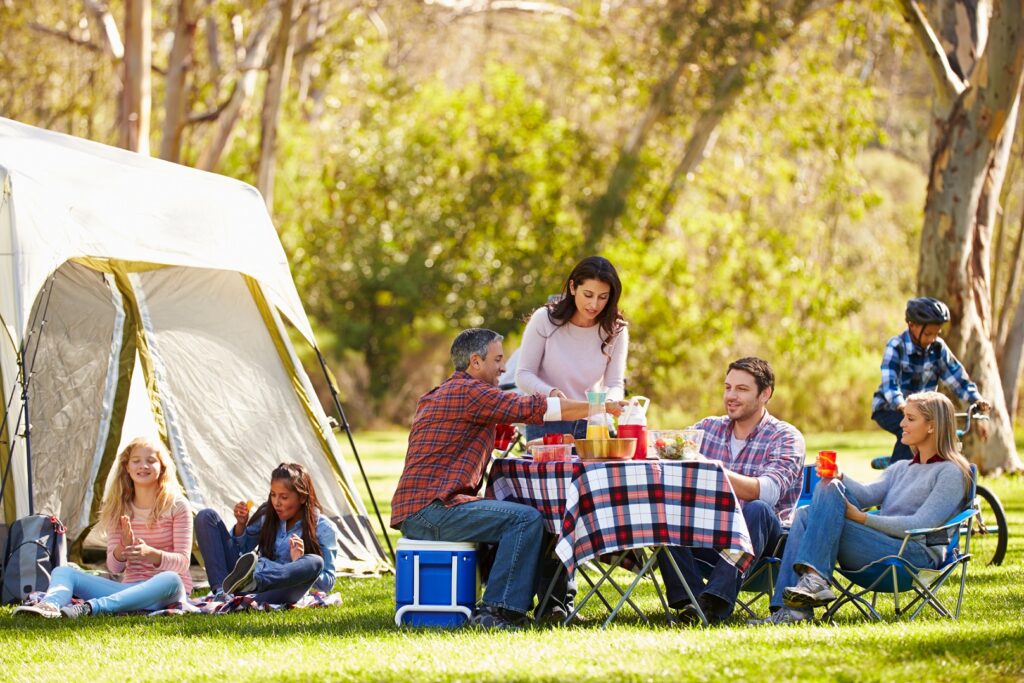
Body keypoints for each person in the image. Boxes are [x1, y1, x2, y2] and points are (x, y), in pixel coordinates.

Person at [391, 327, 625, 629]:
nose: (504, 367)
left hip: (423, 508)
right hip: (433, 511)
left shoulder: (448, 391)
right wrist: (600, 406)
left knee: (522, 513)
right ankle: (496, 611)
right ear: (475, 362)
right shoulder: (471, 392)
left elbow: (478, 436)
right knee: (524, 519)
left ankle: (523, 604)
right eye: (498, 359)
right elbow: (537, 408)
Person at [754, 391, 973, 625]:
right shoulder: (901, 467)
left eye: (910, 418)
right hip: (881, 547)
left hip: (914, 555)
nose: (901, 424)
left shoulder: (951, 472)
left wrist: (862, 519)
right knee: (813, 505)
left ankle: (807, 593)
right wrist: (839, 476)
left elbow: (921, 524)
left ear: (932, 426)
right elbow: (867, 495)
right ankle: (793, 606)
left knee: (814, 512)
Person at [657, 357, 805, 625]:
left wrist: (711, 469)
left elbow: (767, 493)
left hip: (761, 539)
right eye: (728, 388)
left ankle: (712, 602)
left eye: (742, 389)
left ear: (765, 394)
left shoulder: (786, 436)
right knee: (666, 508)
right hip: (707, 532)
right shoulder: (706, 428)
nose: (731, 396)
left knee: (757, 508)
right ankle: (690, 601)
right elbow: (672, 466)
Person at [14, 437, 192, 618]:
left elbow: (183, 562)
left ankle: (92, 607)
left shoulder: (177, 505)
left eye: (151, 460)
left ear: (162, 467)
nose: (143, 466)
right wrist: (122, 549)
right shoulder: (119, 507)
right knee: (63, 570)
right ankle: (49, 606)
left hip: (166, 592)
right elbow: (114, 568)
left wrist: (150, 554)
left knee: (170, 579)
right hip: (127, 590)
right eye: (136, 461)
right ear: (127, 467)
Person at [515, 255, 628, 442]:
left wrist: (608, 403)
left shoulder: (615, 330)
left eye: (603, 297)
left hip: (592, 424)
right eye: (588, 295)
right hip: (547, 421)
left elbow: (614, 383)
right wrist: (551, 393)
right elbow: (524, 374)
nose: (594, 305)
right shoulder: (545, 319)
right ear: (573, 287)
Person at [194, 462, 340, 603]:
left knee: (315, 562)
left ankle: (255, 583)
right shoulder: (267, 515)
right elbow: (240, 552)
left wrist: (299, 563)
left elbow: (328, 583)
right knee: (206, 516)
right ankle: (221, 592)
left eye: (283, 497)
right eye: (273, 495)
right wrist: (241, 525)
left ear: (302, 497)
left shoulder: (324, 528)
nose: (276, 502)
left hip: (280, 590)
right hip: (245, 581)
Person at [873, 297, 990, 463]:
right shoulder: (896, 346)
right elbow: (889, 385)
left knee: (935, 436)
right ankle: (897, 473)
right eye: (928, 334)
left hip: (922, 411)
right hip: (889, 407)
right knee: (909, 429)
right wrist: (902, 405)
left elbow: (956, 377)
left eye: (936, 334)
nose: (932, 339)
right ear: (911, 325)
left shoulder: (938, 348)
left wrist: (976, 399)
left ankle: (924, 471)